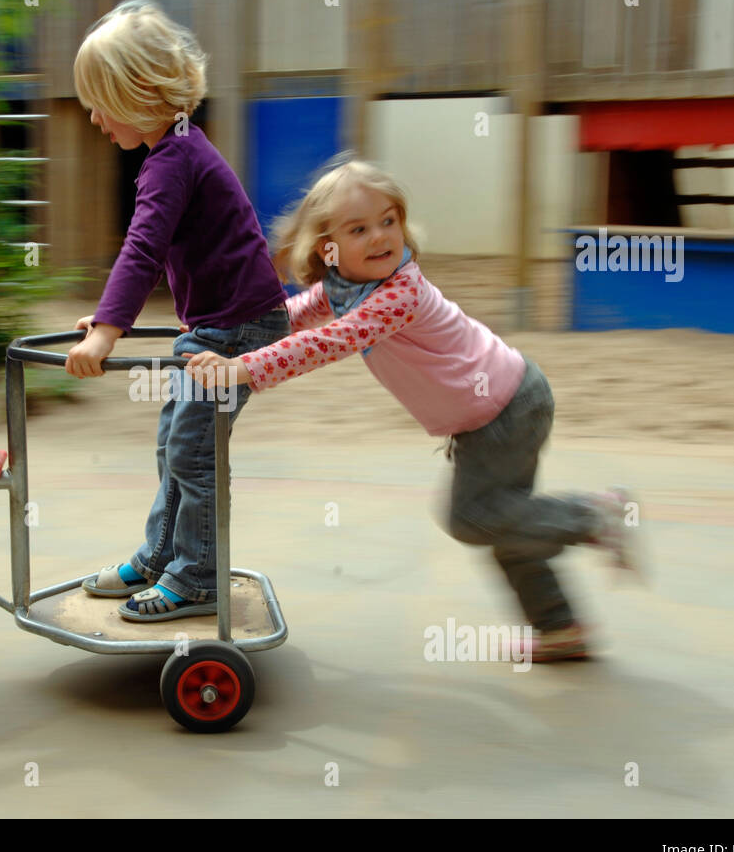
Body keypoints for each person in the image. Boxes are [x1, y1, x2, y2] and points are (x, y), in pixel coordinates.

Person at [185, 159, 639, 660]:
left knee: (472, 518)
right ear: (327, 248)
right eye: (359, 229)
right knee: (508, 522)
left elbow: (328, 342)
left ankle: (595, 516)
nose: (380, 237)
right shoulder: (340, 287)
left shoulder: (399, 293)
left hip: (507, 409)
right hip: (498, 410)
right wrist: (230, 335)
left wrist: (241, 367)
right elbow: (290, 319)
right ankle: (560, 628)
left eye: (388, 220)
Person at [65, 0, 290, 621]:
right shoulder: (179, 151)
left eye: (99, 101)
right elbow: (156, 253)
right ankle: (161, 553)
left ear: (136, 94)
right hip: (219, 324)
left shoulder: (173, 160)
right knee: (174, 440)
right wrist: (108, 317)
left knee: (191, 448)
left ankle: (197, 576)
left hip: (239, 328)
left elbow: (143, 248)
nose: (91, 116)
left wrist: (108, 332)